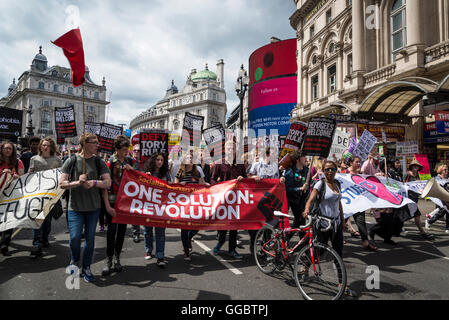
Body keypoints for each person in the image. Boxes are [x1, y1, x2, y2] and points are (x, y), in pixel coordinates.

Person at [59, 133, 111, 283]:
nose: (97, 145)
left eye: (97, 142)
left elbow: (108, 182)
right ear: (85, 144)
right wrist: (77, 182)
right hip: (75, 207)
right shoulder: (72, 160)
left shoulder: (99, 161)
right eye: (94, 142)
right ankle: (75, 259)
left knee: (90, 239)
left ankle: (87, 266)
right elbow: (62, 184)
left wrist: (94, 182)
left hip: (93, 207)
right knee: (74, 238)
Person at [101, 136, 134, 276]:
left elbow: (136, 179)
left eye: (127, 150)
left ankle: (117, 258)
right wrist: (107, 205)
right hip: (113, 200)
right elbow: (104, 186)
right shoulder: (109, 163)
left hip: (125, 202)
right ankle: (108, 259)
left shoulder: (129, 161)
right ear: (117, 150)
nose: (127, 152)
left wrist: (131, 170)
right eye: (124, 150)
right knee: (111, 231)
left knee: (122, 231)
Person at [29, 137, 63, 258]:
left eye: (48, 145)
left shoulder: (57, 160)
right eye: (43, 145)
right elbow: (30, 175)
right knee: (37, 219)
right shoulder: (34, 159)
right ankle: (36, 244)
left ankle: (44, 239)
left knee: (47, 220)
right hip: (37, 195)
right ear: (40, 147)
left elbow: (61, 176)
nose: (45, 147)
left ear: (51, 147)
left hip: (50, 195)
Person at [211, 140, 246, 259]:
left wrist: (243, 178)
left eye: (233, 148)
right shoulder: (219, 163)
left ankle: (232, 249)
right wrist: (219, 187)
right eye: (229, 148)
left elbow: (246, 180)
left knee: (234, 226)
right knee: (223, 224)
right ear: (225, 150)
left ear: (236, 150)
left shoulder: (240, 164)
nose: (231, 150)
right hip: (224, 199)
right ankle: (220, 242)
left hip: (236, 199)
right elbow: (213, 179)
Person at [247, 146, 282, 253]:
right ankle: (253, 244)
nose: (274, 156)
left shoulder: (275, 166)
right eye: (272, 154)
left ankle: (264, 248)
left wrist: (281, 179)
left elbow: (277, 181)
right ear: (267, 154)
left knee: (268, 224)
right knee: (256, 225)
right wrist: (253, 178)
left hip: (269, 199)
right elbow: (248, 176)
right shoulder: (257, 165)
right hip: (257, 199)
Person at [175, 152, 207, 261]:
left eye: (191, 158)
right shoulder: (180, 172)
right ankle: (186, 250)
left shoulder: (196, 171)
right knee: (184, 227)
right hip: (184, 204)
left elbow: (202, 183)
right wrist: (180, 185)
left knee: (197, 225)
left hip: (195, 203)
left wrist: (205, 184)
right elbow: (174, 187)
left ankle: (189, 239)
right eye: (188, 158)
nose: (190, 159)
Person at [141, 152, 171, 267]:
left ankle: (160, 256)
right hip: (148, 206)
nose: (159, 162)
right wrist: (145, 177)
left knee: (160, 232)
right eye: (158, 159)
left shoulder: (166, 173)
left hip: (161, 207)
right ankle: (148, 249)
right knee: (147, 230)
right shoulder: (147, 172)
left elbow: (171, 186)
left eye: (162, 160)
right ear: (153, 160)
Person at [346, 156, 378, 251]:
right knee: (339, 223)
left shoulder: (360, 174)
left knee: (361, 221)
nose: (359, 164)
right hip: (346, 203)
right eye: (357, 162)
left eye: (360, 162)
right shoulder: (344, 173)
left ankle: (366, 243)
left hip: (358, 202)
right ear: (351, 163)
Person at [0, 141, 25, 256]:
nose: (8, 150)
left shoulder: (17, 162)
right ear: (2, 149)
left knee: (9, 219)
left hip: (11, 196)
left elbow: (22, 178)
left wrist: (16, 177)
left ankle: (5, 244)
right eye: (6, 148)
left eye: (10, 149)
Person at [369, 160, 399, 245]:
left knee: (390, 221)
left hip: (389, 200)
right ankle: (373, 230)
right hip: (381, 200)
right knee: (383, 220)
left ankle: (387, 238)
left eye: (389, 166)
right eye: (387, 166)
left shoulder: (391, 175)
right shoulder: (378, 175)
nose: (388, 167)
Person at [404, 159, 434, 240]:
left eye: (417, 166)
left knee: (405, 214)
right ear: (411, 167)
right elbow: (402, 185)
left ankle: (395, 228)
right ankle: (422, 232)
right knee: (417, 214)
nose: (415, 167)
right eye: (414, 166)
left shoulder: (418, 175)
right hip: (408, 198)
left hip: (415, 198)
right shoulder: (407, 175)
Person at [282, 151, 309, 231]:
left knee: (299, 221)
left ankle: (289, 237)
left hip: (302, 199)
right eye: (304, 157)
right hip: (293, 200)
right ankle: (300, 240)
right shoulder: (290, 171)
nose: (306, 159)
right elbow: (287, 188)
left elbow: (310, 183)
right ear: (298, 159)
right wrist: (300, 189)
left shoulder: (307, 170)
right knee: (300, 220)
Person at [425, 164, 449, 233]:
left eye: (447, 169)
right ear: (441, 170)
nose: (447, 171)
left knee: (446, 211)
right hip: (440, 197)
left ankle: (447, 227)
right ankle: (429, 221)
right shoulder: (437, 178)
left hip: (447, 196)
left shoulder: (447, 178)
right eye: (445, 169)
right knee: (444, 210)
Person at [131, 143, 142, 243]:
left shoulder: (144, 163)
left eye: (139, 150)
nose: (137, 152)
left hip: (143, 190)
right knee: (135, 213)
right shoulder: (129, 161)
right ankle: (136, 233)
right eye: (135, 150)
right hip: (132, 191)